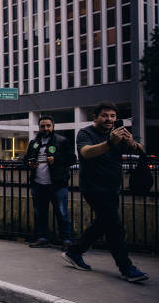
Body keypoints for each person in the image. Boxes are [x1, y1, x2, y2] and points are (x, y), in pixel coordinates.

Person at [63, 102, 148, 282]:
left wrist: (132, 143)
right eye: (104, 115)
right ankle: (126, 267)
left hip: (112, 187)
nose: (109, 119)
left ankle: (74, 251)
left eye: (112, 116)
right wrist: (110, 142)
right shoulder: (86, 133)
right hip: (93, 187)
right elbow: (85, 153)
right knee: (114, 225)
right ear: (95, 117)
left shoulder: (118, 134)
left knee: (103, 222)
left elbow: (140, 150)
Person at [23, 115, 76, 248]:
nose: (45, 128)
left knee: (62, 212)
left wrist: (56, 160)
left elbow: (72, 159)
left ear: (53, 126)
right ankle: (42, 238)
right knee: (40, 213)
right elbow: (25, 160)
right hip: (38, 184)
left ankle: (67, 240)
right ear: (39, 127)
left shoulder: (62, 140)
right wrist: (29, 163)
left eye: (48, 126)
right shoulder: (33, 143)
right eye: (42, 126)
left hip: (57, 184)